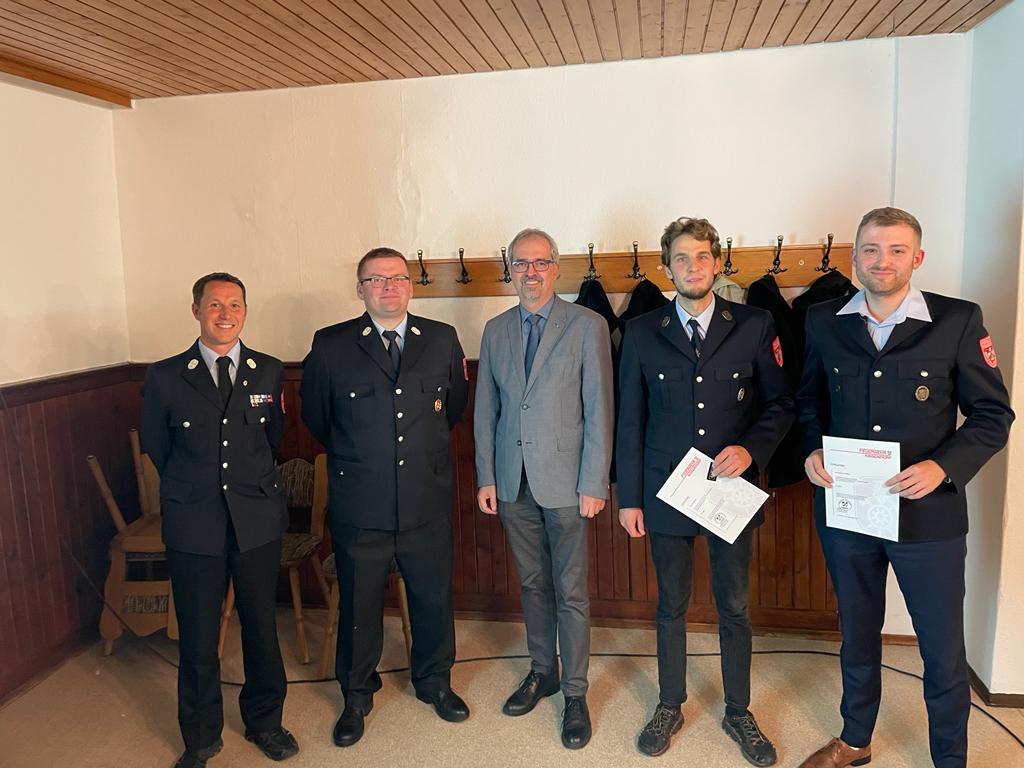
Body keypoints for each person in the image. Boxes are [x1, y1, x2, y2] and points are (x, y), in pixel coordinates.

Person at [795, 207, 1014, 768]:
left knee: (941, 648)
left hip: (928, 517)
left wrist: (944, 466)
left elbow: (993, 415)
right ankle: (855, 740)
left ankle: (950, 759)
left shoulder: (957, 320)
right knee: (857, 634)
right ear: (854, 258)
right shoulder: (823, 320)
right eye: (871, 249)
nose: (882, 261)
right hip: (849, 512)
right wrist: (812, 449)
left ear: (917, 258)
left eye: (896, 250)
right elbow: (808, 401)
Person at [616, 217, 793, 764]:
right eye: (681, 258)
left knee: (733, 605)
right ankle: (670, 703)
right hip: (666, 491)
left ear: (717, 263)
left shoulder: (755, 324)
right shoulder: (642, 331)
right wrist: (628, 498)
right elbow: (630, 420)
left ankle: (738, 710)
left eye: (701, 257)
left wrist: (752, 450)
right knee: (670, 604)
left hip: (729, 490)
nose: (692, 267)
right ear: (665, 268)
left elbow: (780, 403)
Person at [300, 247, 470, 747]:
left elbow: (452, 409)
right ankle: (356, 694)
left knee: (432, 598)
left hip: (424, 498)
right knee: (358, 604)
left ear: (410, 286)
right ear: (360, 289)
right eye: (375, 279)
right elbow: (317, 417)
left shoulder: (441, 339)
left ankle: (435, 682)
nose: (388, 287)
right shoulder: (331, 345)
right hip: (361, 502)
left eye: (397, 278)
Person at [141, 272, 298, 768]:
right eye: (214, 305)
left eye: (235, 304)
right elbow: (158, 446)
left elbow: (271, 440)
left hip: (256, 520)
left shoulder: (267, 370)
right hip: (194, 521)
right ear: (196, 310)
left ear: (245, 311)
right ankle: (201, 737)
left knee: (261, 628)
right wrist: (198, 487)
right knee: (198, 636)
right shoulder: (166, 375)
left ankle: (266, 722)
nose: (225, 314)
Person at [474, 228, 614, 749]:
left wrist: (594, 480)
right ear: (509, 270)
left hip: (567, 483)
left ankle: (575, 692)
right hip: (513, 481)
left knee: (570, 590)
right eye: (520, 263)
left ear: (556, 268)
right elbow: (486, 410)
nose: (530, 272)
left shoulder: (587, 325)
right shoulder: (495, 331)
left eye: (539, 262)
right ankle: (542, 671)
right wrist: (487, 476)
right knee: (532, 584)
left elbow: (599, 408)